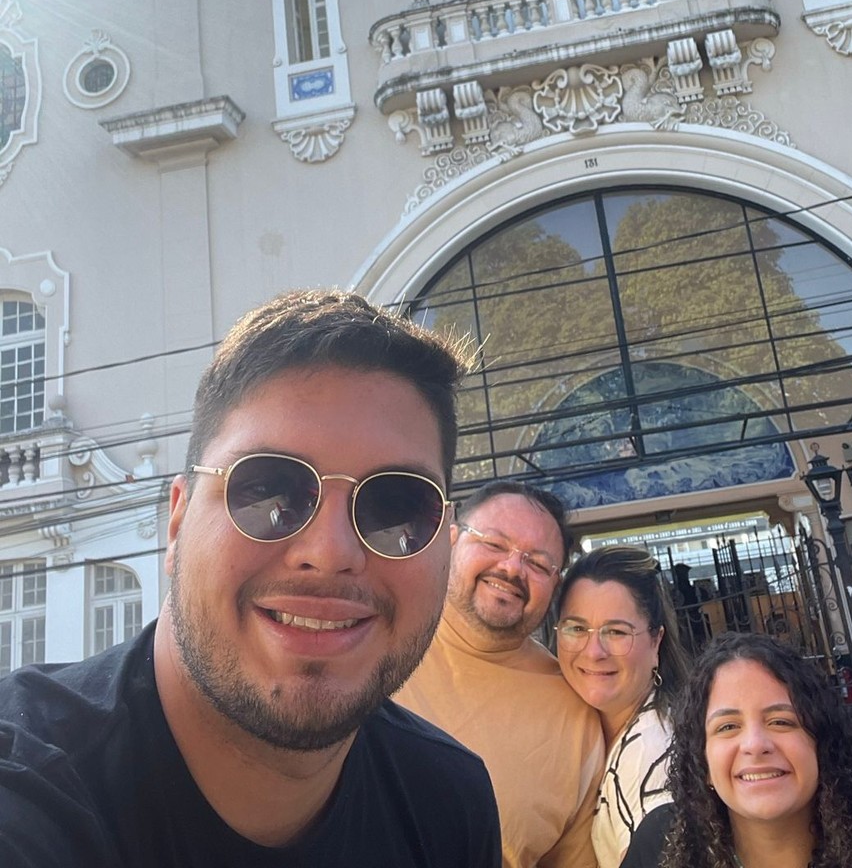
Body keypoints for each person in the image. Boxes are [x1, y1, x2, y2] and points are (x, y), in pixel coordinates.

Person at [0, 289, 501, 867]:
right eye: (268, 489)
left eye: (397, 507)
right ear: (178, 522)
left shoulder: (449, 803)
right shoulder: (29, 791)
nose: (331, 552)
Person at [396, 481, 605, 868]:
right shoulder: (371, 644)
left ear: (555, 585)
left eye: (538, 564)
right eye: (494, 543)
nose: (512, 568)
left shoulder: (577, 716)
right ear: (451, 539)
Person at [621, 632, 852, 868]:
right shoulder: (659, 846)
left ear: (823, 747)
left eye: (781, 722)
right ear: (702, 763)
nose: (755, 745)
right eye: (727, 726)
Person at [555, 546, 689, 867]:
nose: (594, 651)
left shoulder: (652, 756)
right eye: (576, 628)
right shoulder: (588, 728)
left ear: (656, 641)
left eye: (616, 631)